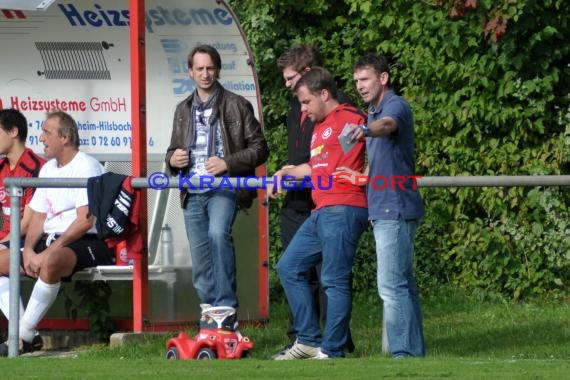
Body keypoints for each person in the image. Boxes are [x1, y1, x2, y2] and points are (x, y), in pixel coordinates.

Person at [165, 44, 268, 329]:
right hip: (192, 191)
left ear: (218, 70)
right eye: (200, 68)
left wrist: (228, 162)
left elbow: (261, 149)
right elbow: (172, 150)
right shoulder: (182, 109)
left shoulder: (237, 104)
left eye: (210, 68)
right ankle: (210, 315)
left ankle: (226, 309)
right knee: (200, 257)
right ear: (190, 72)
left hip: (224, 187)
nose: (205, 74)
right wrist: (173, 158)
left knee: (218, 234)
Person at [272, 67, 368, 359]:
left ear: (324, 94)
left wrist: (366, 174)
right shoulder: (319, 127)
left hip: (344, 207)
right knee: (288, 267)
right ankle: (309, 340)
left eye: (305, 102)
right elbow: (317, 168)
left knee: (334, 279)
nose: (302, 109)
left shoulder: (352, 119)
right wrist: (289, 171)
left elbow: (380, 148)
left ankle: (333, 349)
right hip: (322, 209)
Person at [0, 110, 114, 356]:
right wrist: (29, 250)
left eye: (46, 132)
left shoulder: (86, 165)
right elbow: (38, 216)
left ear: (65, 137)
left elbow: (85, 221)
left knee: (51, 261)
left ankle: (21, 338)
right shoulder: (49, 168)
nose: (40, 137)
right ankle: (26, 336)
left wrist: (45, 252)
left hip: (87, 241)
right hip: (51, 242)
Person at [348, 53, 425, 358]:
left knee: (390, 287)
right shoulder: (372, 112)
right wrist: (361, 176)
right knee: (403, 284)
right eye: (356, 81)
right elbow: (382, 159)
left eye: (364, 79)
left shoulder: (394, 107)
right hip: (385, 206)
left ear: (383, 78)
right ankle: (414, 354)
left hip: (395, 207)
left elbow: (388, 125)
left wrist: (366, 130)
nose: (360, 86)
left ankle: (403, 354)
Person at [0, 109, 45, 249]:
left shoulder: (36, 168)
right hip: (5, 239)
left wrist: (1, 244)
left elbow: (28, 224)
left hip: (26, 240)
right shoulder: (1, 168)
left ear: (13, 131)